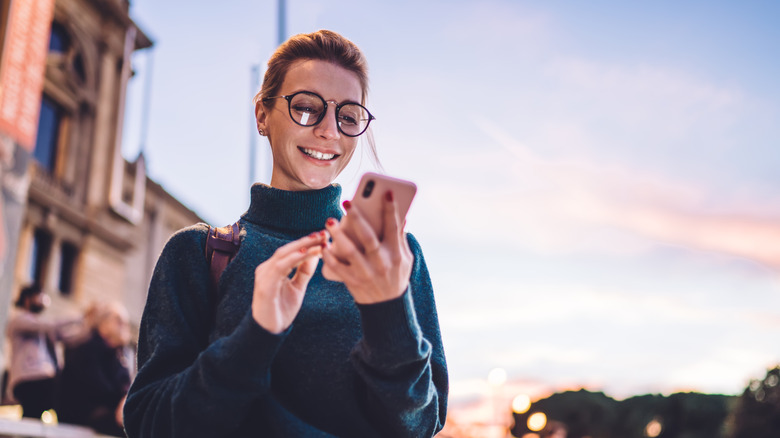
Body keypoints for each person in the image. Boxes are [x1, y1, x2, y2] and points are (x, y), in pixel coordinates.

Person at [124, 29, 448, 437]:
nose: (330, 130)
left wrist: (389, 313)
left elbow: (419, 427)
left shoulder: (395, 257)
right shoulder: (197, 253)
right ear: (262, 115)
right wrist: (256, 334)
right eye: (307, 107)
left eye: (348, 116)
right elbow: (149, 426)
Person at [57, 302, 132, 437]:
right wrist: (120, 402)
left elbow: (124, 385)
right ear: (103, 324)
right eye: (118, 321)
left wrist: (124, 400)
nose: (124, 326)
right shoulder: (86, 347)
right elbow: (95, 387)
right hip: (81, 413)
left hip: (105, 411)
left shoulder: (118, 353)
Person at [4, 284, 77, 419]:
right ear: (27, 299)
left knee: (35, 416)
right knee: (35, 414)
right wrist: (79, 318)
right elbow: (49, 325)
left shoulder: (44, 327)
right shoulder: (19, 320)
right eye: (39, 296)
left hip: (43, 378)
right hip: (27, 378)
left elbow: (68, 337)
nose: (44, 300)